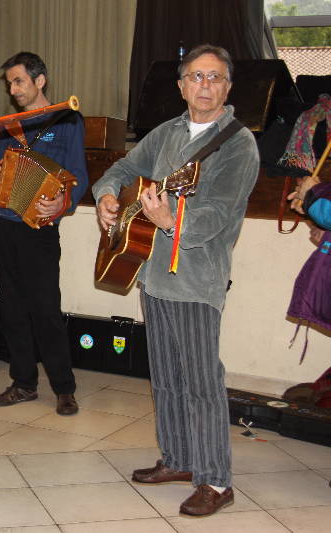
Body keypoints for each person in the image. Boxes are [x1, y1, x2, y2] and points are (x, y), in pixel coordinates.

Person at [93, 44, 259, 517]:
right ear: (181, 85)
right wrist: (107, 197)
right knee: (165, 377)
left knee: (202, 382)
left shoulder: (238, 144)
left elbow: (215, 217)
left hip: (197, 281)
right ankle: (179, 459)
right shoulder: (166, 134)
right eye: (195, 77)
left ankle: (215, 480)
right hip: (153, 275)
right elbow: (122, 170)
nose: (204, 86)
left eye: (214, 78)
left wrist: (169, 221)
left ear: (227, 87)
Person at [0, 52, 87, 416]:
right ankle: (23, 382)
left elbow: (79, 176)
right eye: (10, 83)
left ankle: (64, 387)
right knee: (11, 307)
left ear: (40, 81)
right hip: (6, 221)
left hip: (40, 228)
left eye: (19, 81)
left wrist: (61, 205)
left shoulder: (68, 119)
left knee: (45, 309)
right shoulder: (10, 123)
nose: (13, 89)